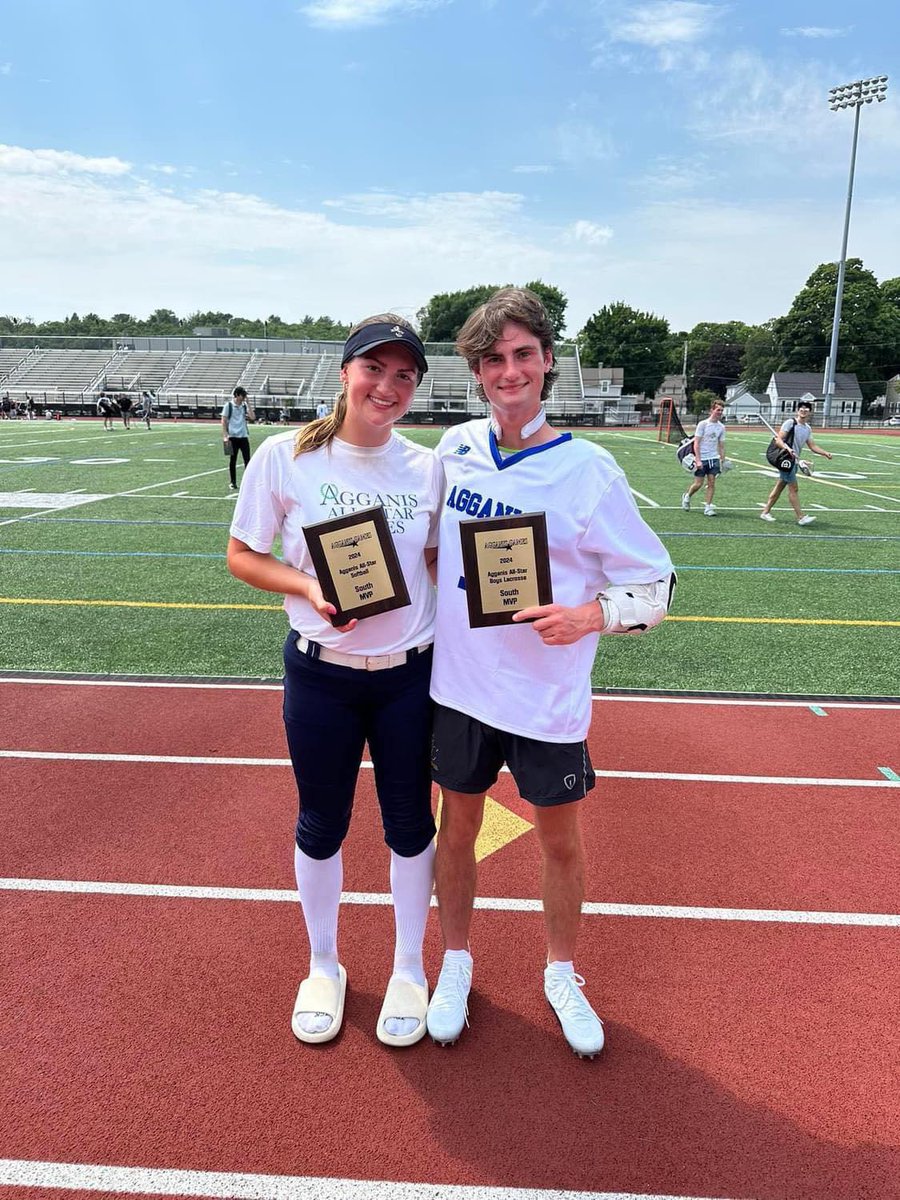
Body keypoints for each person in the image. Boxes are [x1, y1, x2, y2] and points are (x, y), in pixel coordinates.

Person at [425, 287, 675, 1059]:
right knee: (456, 829)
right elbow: (429, 552)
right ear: (476, 370)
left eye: (522, 355)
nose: (509, 372)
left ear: (547, 362)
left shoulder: (588, 470)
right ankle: (456, 962)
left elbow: (656, 583)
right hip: (461, 688)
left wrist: (589, 617)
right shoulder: (453, 450)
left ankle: (562, 971)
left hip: (546, 698)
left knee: (558, 842)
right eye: (493, 359)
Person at [226, 314, 442, 1049]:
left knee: (411, 825)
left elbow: (443, 565)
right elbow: (243, 555)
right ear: (344, 372)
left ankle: (410, 969)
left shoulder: (427, 466)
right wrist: (309, 588)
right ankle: (323, 965)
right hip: (321, 675)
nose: (387, 386)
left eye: (404, 374)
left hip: (411, 677)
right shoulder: (287, 459)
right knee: (322, 824)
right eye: (374, 369)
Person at [759, 400, 833, 525]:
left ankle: (765, 512)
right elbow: (778, 440)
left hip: (793, 460)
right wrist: (787, 448)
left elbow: (812, 446)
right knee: (794, 488)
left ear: (810, 412)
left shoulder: (807, 428)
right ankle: (800, 517)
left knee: (780, 486)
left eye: (806, 409)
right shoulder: (790, 423)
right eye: (801, 409)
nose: (803, 411)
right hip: (785, 459)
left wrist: (825, 453)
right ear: (797, 411)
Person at [681, 399, 726, 516]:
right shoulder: (703, 424)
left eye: (721, 410)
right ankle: (687, 496)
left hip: (713, 458)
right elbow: (696, 443)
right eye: (718, 410)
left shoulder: (721, 427)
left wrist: (722, 459)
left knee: (711, 483)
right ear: (712, 410)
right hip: (702, 458)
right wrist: (698, 459)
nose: (720, 412)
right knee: (698, 483)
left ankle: (708, 507)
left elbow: (721, 445)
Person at [222, 386, 254, 492]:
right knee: (232, 460)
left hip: (243, 436)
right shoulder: (228, 406)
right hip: (232, 437)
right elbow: (224, 420)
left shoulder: (244, 406)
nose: (245, 397)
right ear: (237, 395)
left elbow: (252, 418)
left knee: (247, 460)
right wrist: (225, 436)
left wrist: (249, 404)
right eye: (243, 395)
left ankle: (248, 482)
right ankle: (233, 482)